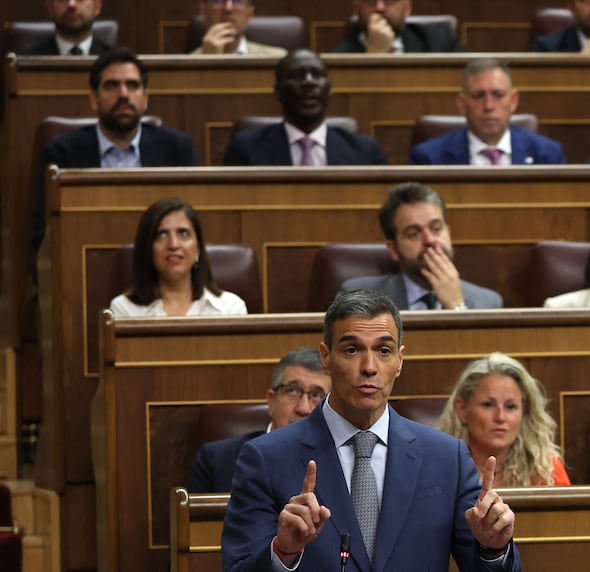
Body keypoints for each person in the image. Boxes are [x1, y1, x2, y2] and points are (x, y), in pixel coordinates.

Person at [221, 289, 521, 571]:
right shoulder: (266, 458)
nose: (369, 366)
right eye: (352, 350)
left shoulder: (446, 458)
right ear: (326, 357)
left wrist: (493, 550)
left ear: (400, 360)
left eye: (384, 350)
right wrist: (283, 553)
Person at [33, 48, 198, 249]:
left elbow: (191, 226)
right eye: (111, 85)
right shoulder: (61, 153)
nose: (123, 94)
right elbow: (44, 232)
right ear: (94, 98)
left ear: (145, 98)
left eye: (132, 85)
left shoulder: (177, 148)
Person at [339, 182, 503, 310]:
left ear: (449, 233)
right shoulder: (359, 297)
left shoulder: (488, 302)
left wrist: (456, 307)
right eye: (414, 234)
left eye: (436, 229)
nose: (430, 240)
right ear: (393, 249)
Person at [187, 348, 331, 493]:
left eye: (317, 395)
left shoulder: (339, 458)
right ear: (271, 400)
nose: (304, 408)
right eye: (292, 391)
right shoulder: (216, 459)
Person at [223, 49, 387, 166]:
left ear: (329, 90)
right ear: (278, 92)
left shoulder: (365, 150)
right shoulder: (246, 149)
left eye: (317, 75)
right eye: (296, 75)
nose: (309, 82)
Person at [439, 352, 571, 487]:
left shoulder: (547, 469)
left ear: (524, 412)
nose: (500, 417)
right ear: (462, 410)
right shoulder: (439, 466)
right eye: (488, 405)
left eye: (511, 406)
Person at [409, 58, 566, 166]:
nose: (489, 106)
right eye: (478, 96)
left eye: (498, 95)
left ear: (513, 101)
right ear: (462, 104)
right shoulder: (429, 158)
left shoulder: (547, 154)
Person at [110, 197, 247, 317]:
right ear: (147, 248)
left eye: (183, 233)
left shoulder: (230, 309)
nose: (173, 245)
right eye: (161, 235)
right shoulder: (124, 311)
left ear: (198, 248)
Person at [333, 0, 466, 53]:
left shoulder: (440, 40)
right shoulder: (340, 56)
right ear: (356, 8)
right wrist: (375, 55)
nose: (380, 7)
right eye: (370, 1)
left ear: (408, 8)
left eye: (390, 0)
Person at [192, 0, 287, 56]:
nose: (228, 8)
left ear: (250, 13)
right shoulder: (186, 66)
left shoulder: (276, 58)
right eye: (219, 0)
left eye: (237, 0)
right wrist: (208, 61)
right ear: (203, 11)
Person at [16, 0, 109, 56]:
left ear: (97, 6)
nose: (71, 4)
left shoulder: (117, 62)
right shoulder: (23, 62)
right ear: (50, 7)